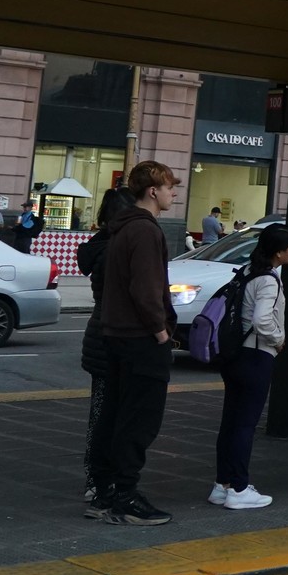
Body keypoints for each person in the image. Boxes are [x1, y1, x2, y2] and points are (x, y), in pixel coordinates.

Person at [86, 161, 179, 525]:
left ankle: (105, 492)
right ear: (153, 191)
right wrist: (160, 332)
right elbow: (145, 288)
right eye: (170, 187)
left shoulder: (121, 228)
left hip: (116, 335)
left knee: (114, 415)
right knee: (139, 419)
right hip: (140, 339)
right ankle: (125, 496)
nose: (173, 194)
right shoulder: (145, 230)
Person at [210, 224, 288, 510]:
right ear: (279, 252)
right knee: (245, 424)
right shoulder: (269, 280)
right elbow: (261, 319)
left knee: (230, 422)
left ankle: (222, 485)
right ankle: (239, 489)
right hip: (256, 355)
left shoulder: (247, 270)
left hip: (233, 354)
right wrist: (278, 339)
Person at [77, 186, 133, 515]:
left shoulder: (99, 245)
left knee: (100, 413)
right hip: (111, 339)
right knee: (108, 416)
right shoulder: (116, 248)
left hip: (98, 336)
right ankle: (99, 480)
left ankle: (95, 477)